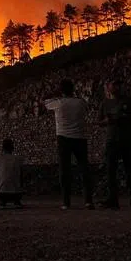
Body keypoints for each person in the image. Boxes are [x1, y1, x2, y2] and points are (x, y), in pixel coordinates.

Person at [43, 79, 94, 209]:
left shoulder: (58, 103)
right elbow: (86, 109)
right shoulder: (81, 103)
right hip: (80, 137)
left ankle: (66, 202)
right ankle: (88, 200)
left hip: (63, 138)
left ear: (61, 90)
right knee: (84, 169)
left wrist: (54, 92)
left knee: (64, 170)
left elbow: (44, 100)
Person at [100, 78, 131, 210]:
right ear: (109, 86)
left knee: (130, 171)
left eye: (119, 85)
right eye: (114, 85)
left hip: (127, 140)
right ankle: (113, 200)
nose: (116, 88)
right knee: (111, 171)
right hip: (112, 141)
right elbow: (100, 121)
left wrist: (124, 116)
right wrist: (108, 120)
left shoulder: (129, 101)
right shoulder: (105, 103)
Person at [0, 138, 24, 208]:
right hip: (16, 194)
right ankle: (17, 201)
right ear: (13, 148)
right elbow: (21, 176)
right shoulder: (18, 159)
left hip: (2, 194)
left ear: (2, 148)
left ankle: (2, 202)